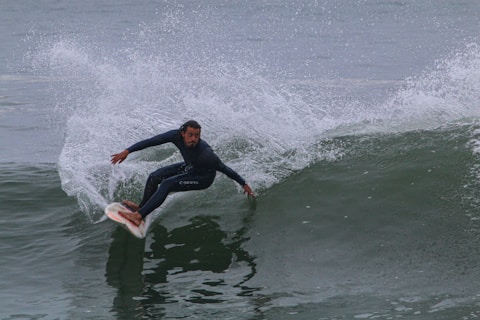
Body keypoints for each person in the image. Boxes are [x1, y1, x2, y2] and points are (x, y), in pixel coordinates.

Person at [111, 120, 255, 226]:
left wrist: (243, 183)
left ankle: (138, 216)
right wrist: (128, 150)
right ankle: (142, 207)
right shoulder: (175, 136)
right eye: (190, 135)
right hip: (191, 166)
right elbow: (153, 141)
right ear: (182, 133)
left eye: (197, 136)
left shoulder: (206, 154)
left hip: (203, 178)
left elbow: (225, 169)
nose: (194, 139)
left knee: (167, 184)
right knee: (155, 176)